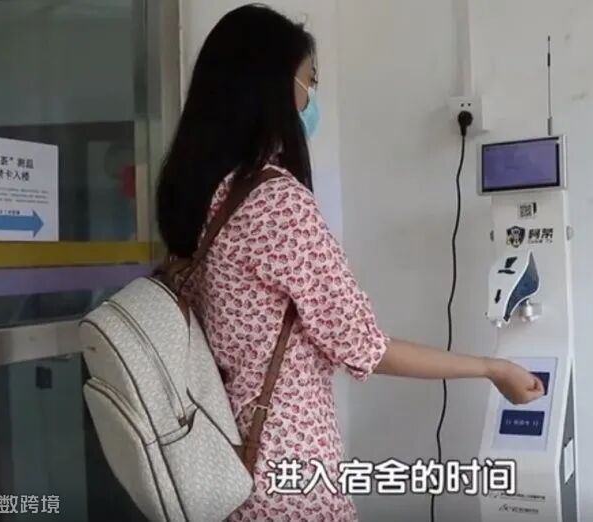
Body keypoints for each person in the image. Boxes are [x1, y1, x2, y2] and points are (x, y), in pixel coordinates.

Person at [155, 5, 544, 521]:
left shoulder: (202, 199)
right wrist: (492, 369)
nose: (311, 99)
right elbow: (366, 347)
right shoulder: (277, 204)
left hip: (225, 467)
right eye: (309, 81)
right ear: (273, 88)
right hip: (289, 475)